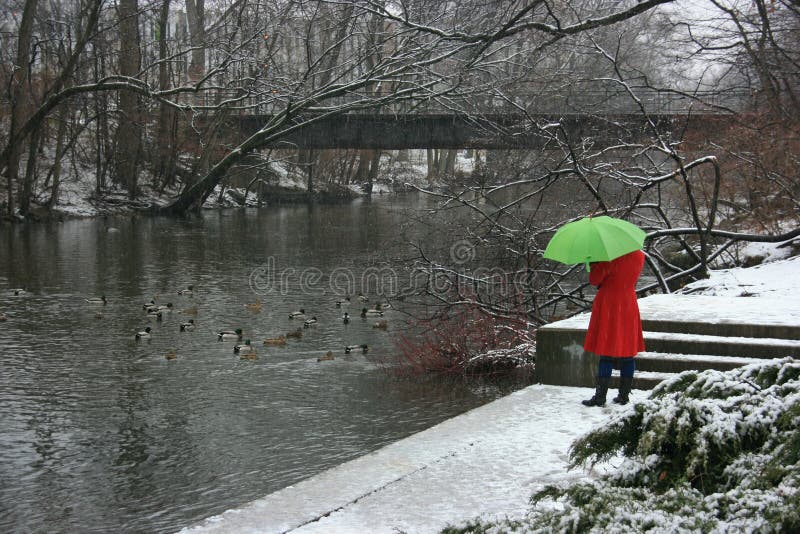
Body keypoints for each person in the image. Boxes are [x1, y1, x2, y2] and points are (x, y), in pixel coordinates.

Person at [581, 249, 646, 407]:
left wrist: (594, 263)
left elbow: (595, 280)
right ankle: (624, 396)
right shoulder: (639, 255)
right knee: (628, 353)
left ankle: (600, 396)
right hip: (628, 302)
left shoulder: (609, 256)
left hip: (610, 304)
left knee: (606, 353)